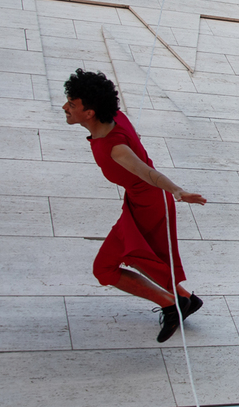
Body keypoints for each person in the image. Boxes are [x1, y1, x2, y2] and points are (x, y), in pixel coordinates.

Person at [63, 69, 206, 342]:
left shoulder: (115, 148)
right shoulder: (114, 117)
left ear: (90, 112)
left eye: (71, 104)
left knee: (104, 268)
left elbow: (147, 173)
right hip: (143, 202)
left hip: (149, 205)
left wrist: (177, 190)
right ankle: (186, 299)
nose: (65, 108)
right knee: (142, 257)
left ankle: (172, 305)